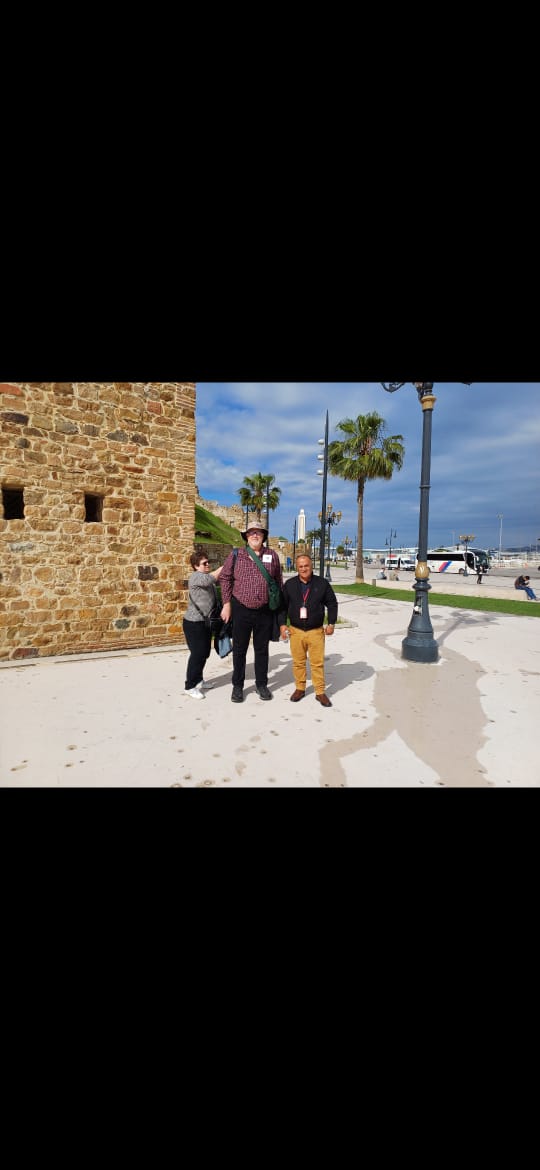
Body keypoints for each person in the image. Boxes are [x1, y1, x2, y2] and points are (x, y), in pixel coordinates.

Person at [220, 521, 283, 702]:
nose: (255, 535)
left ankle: (261, 684)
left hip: (264, 610)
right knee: (240, 649)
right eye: (251, 532)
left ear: (263, 536)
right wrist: (226, 604)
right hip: (241, 608)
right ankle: (237, 686)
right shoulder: (236, 554)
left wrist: (277, 606)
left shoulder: (272, 555)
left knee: (262, 650)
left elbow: (278, 581)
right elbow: (225, 578)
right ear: (246, 536)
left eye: (258, 532)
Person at [278, 552, 338, 707]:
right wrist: (282, 625)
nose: (304, 569)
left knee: (317, 663)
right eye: (300, 566)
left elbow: (332, 603)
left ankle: (320, 692)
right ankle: (300, 688)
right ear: (297, 568)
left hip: (316, 631)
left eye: (306, 566)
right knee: (298, 662)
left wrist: (331, 623)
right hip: (296, 631)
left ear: (312, 566)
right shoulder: (290, 585)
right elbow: (282, 607)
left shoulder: (322, 584)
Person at [183, 550, 223, 699]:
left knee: (205, 653)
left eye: (208, 562)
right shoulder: (196, 577)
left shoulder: (205, 577)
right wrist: (225, 566)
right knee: (197, 654)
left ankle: (199, 679)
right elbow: (212, 578)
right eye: (204, 563)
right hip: (193, 623)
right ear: (195, 566)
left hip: (205, 623)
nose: (207, 565)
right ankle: (190, 686)